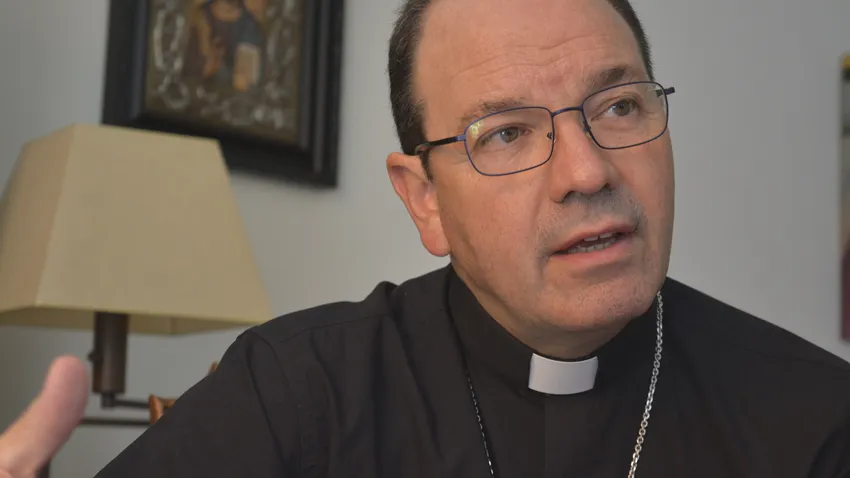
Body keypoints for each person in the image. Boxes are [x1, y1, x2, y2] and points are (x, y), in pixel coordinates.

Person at [3, 0, 850, 476]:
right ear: (425, 201)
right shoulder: (294, 392)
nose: (588, 171)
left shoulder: (817, 418)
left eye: (621, 105)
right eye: (507, 132)